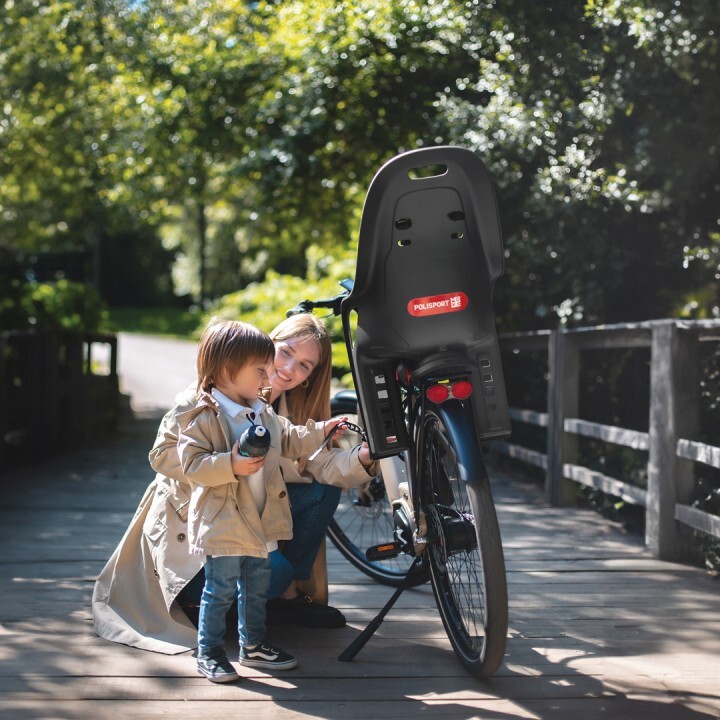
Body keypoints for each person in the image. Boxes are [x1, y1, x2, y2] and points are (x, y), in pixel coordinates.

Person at [92, 314, 376, 657]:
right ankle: (205, 611)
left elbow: (314, 456)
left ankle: (281, 598)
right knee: (269, 573)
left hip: (250, 519)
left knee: (320, 492)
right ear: (267, 346)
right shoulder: (203, 400)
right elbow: (163, 455)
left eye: (304, 365)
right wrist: (228, 463)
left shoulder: (274, 411)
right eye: (285, 352)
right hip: (202, 523)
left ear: (310, 376)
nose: (288, 368)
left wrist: (362, 456)